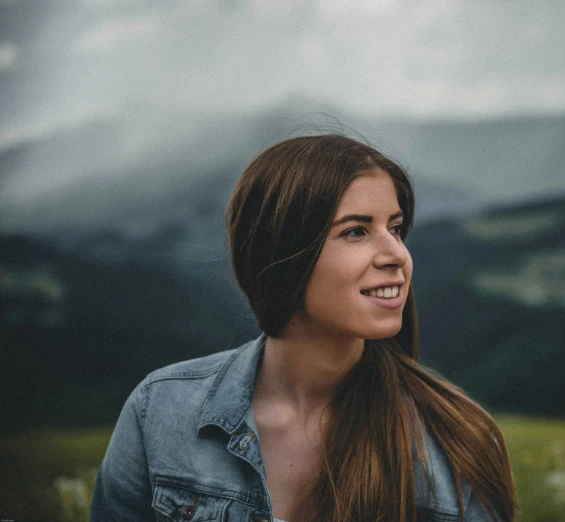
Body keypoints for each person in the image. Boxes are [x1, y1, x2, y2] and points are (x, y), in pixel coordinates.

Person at [90, 134, 517, 521]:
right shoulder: (161, 412)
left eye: (396, 228)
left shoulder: (455, 442)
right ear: (281, 258)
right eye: (355, 231)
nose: (397, 255)